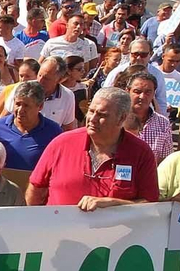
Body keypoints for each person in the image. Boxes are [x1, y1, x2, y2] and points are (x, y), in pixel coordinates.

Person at [27, 88, 161, 211]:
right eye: (91, 111)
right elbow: (35, 191)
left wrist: (114, 203)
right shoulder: (61, 143)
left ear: (121, 119)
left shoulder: (140, 153)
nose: (92, 119)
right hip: (60, 233)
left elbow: (150, 204)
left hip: (116, 235)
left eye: (102, 115)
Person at [0, 81, 63, 192]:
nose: (20, 110)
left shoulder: (54, 132)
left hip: (36, 198)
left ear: (40, 106)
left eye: (26, 106)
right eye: (18, 104)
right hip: (1, 195)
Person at [121, 67, 174, 164]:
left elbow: (167, 160)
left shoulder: (163, 123)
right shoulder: (116, 119)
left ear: (154, 93)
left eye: (147, 92)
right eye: (137, 92)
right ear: (127, 91)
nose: (142, 96)